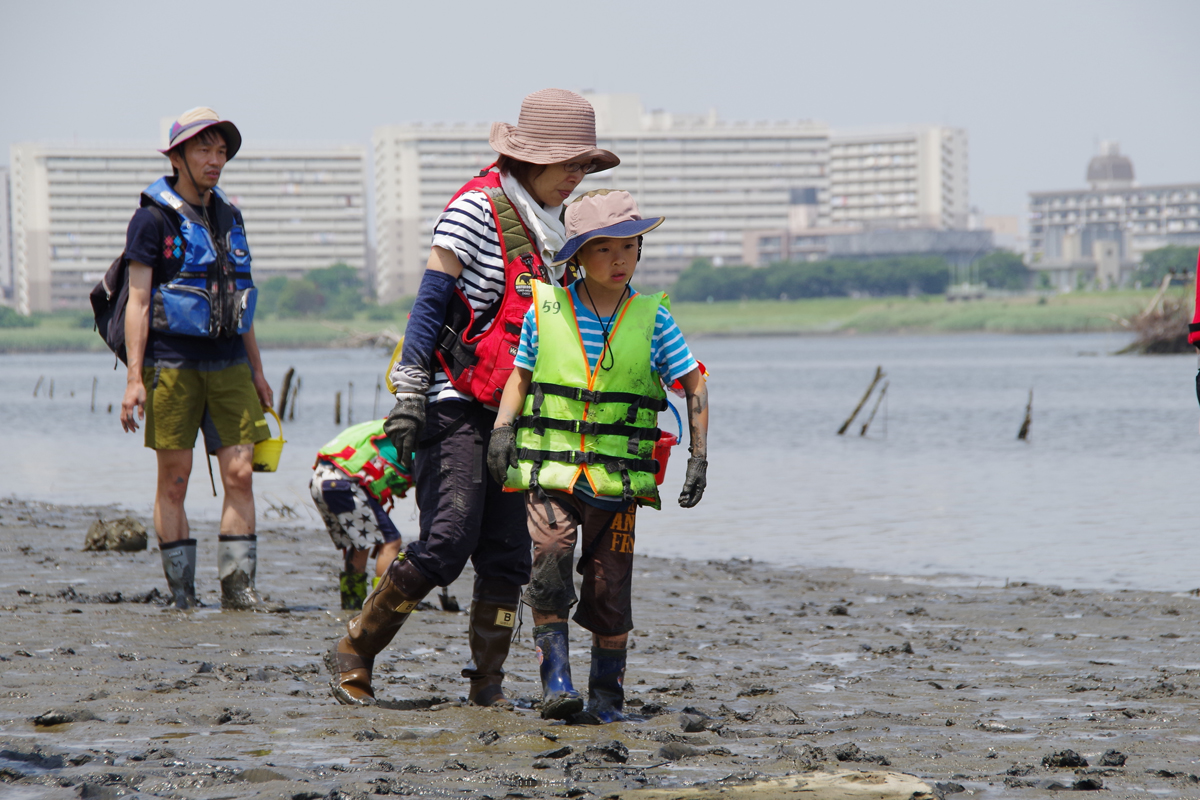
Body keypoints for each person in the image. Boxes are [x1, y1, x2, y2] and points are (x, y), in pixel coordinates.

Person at [326, 89, 619, 709]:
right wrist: (408, 397)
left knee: (508, 555)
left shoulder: (558, 230)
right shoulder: (475, 209)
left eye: (583, 166)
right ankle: (355, 647)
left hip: (518, 411)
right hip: (453, 398)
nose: (576, 176)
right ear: (530, 158)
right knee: (448, 539)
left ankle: (486, 688)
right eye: (568, 163)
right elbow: (430, 306)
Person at [486, 189, 710, 723]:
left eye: (629, 248)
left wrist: (699, 456)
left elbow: (694, 382)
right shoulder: (547, 311)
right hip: (551, 469)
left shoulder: (653, 319)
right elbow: (519, 377)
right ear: (578, 256)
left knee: (609, 587)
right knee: (550, 562)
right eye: (604, 248)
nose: (619, 260)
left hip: (618, 480)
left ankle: (607, 697)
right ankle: (556, 685)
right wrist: (501, 432)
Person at [119, 107, 273, 611]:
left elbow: (240, 299)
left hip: (230, 362)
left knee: (241, 473)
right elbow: (138, 302)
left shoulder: (230, 214)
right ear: (178, 156)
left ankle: (237, 590)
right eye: (204, 149)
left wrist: (258, 371)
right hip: (173, 363)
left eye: (221, 151)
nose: (215, 159)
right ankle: (182, 594)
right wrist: (134, 379)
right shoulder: (151, 218)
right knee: (176, 479)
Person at [311, 419, 409, 610]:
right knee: (391, 541)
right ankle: (383, 606)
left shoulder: (386, 424)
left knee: (359, 542)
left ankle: (352, 604)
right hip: (344, 481)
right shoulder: (412, 435)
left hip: (320, 479)